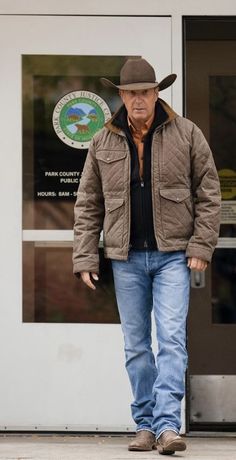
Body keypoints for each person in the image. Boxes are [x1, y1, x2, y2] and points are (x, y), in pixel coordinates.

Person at [73, 58, 221, 455]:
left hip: (173, 256)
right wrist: (86, 256)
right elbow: (88, 203)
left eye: (146, 91)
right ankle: (145, 424)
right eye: (131, 92)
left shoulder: (186, 133)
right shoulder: (103, 139)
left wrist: (201, 245)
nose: (139, 99)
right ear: (121, 95)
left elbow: (209, 192)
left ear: (157, 93)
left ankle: (168, 426)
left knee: (171, 339)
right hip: (126, 259)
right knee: (136, 345)